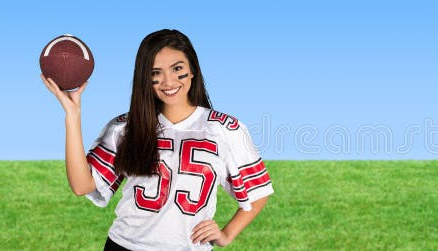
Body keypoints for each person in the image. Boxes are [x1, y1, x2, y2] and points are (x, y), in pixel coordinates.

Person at [41, 29, 273, 250]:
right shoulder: (125, 127)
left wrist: (226, 235)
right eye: (155, 72)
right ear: (145, 77)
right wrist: (72, 115)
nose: (168, 81)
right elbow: (82, 186)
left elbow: (259, 191)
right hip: (124, 246)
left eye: (177, 68)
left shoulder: (226, 129)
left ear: (193, 70)